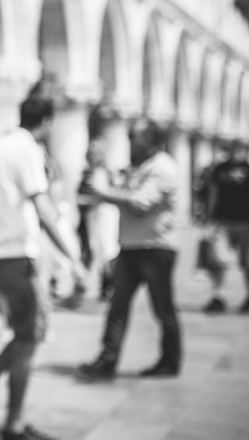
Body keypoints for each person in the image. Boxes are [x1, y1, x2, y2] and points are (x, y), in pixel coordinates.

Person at [0, 94, 86, 440]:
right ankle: (11, 422)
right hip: (18, 251)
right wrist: (72, 258)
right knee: (30, 335)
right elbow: (42, 205)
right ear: (46, 121)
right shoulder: (27, 150)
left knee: (25, 333)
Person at [77, 119, 182, 379]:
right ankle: (107, 359)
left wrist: (103, 193)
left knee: (162, 308)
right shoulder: (142, 167)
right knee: (117, 305)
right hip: (131, 247)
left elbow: (140, 203)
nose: (130, 142)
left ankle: (170, 360)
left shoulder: (162, 168)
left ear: (151, 141)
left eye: (136, 137)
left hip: (155, 248)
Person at [202, 141, 249, 314]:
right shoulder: (220, 168)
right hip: (223, 220)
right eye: (233, 150)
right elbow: (214, 193)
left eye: (239, 150)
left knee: (248, 261)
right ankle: (217, 295)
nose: (236, 153)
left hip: (246, 221)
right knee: (219, 260)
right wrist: (210, 217)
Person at [78, 136, 120, 302]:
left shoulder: (102, 173)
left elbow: (103, 196)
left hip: (102, 216)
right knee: (95, 250)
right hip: (91, 216)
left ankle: (110, 285)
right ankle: (104, 286)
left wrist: (83, 200)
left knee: (105, 250)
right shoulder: (90, 172)